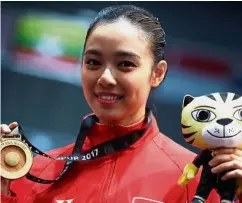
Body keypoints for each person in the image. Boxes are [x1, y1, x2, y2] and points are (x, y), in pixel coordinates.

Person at [1, 4, 242, 203]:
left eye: (125, 64)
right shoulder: (35, 172)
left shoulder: (195, 178)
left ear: (157, 73)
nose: (105, 77)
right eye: (93, 62)